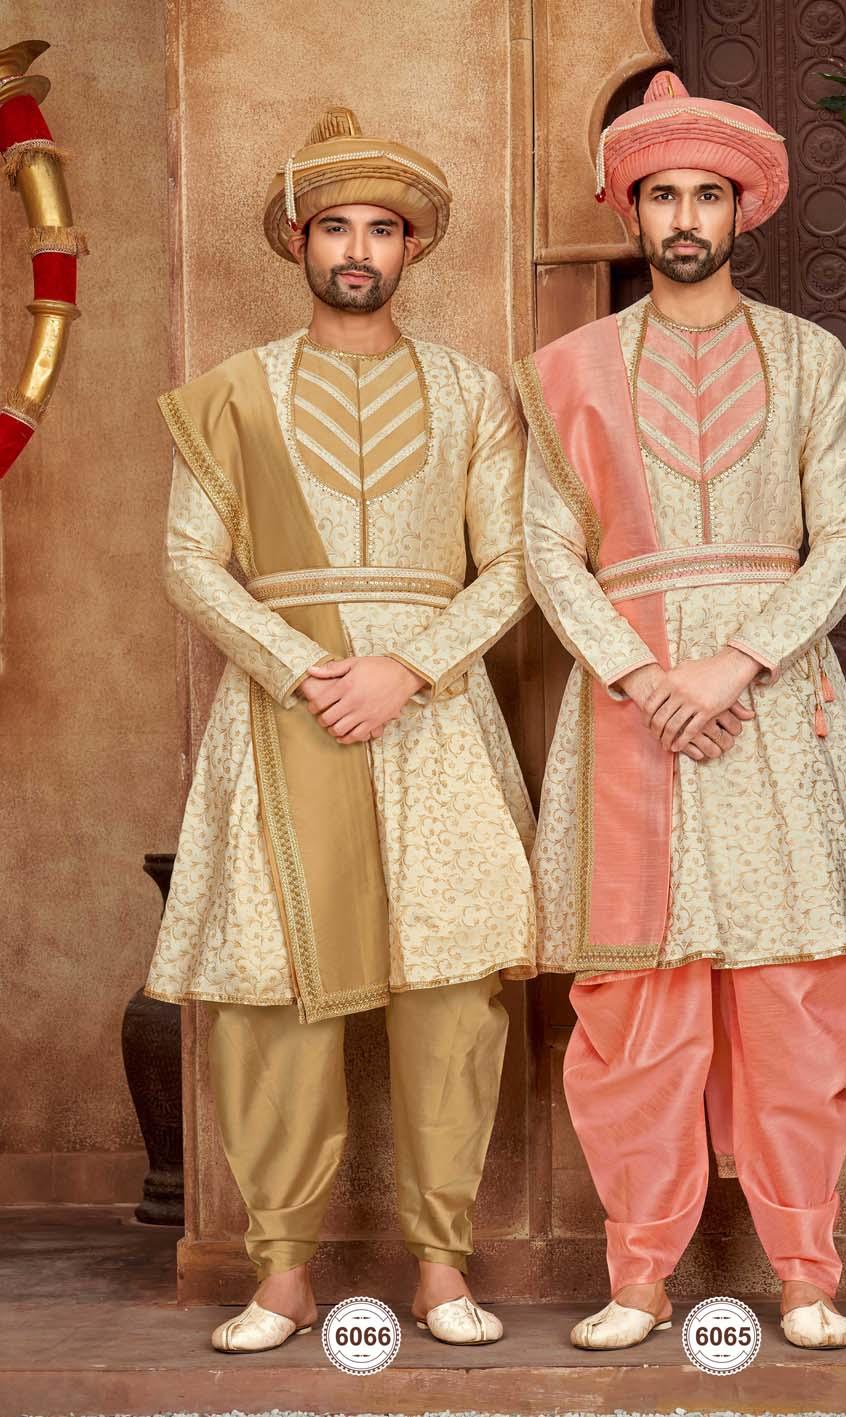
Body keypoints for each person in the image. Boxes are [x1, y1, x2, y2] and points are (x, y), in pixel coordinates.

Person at [515, 70, 846, 1353]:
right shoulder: (568, 372)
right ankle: (637, 1277)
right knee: (636, 1002)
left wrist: (731, 663)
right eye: (660, 196)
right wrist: (643, 678)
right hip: (631, 717)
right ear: (630, 213)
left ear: (743, 210)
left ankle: (806, 1272)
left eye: (705, 194)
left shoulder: (811, 360)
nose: (683, 216)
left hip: (771, 702)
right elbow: (544, 551)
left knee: (794, 997)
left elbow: (844, 541)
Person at [148, 106, 535, 1352]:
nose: (357, 247)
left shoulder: (472, 392)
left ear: (412, 247)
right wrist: (308, 667)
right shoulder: (229, 400)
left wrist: (407, 668)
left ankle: (439, 1264)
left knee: (449, 995)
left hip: (430, 721)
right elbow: (189, 561)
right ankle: (280, 1273)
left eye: (381, 227)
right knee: (272, 999)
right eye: (334, 226)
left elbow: (516, 562)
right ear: (297, 242)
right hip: (284, 716)